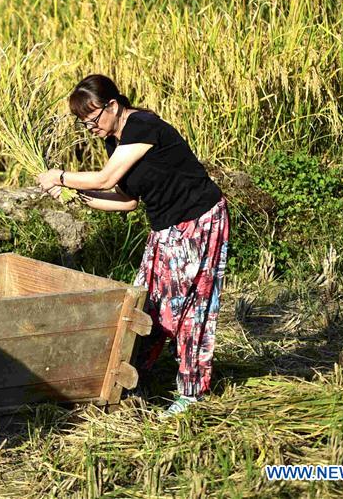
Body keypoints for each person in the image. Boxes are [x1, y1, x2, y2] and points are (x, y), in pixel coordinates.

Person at [36, 74, 229, 417]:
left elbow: (105, 179)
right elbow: (126, 200)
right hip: (165, 228)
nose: (90, 127)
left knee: (185, 311)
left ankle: (191, 393)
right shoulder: (115, 140)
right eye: (83, 123)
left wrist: (60, 176)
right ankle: (134, 377)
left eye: (92, 119)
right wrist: (77, 197)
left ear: (113, 105)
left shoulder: (142, 126)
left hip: (197, 221)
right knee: (143, 302)